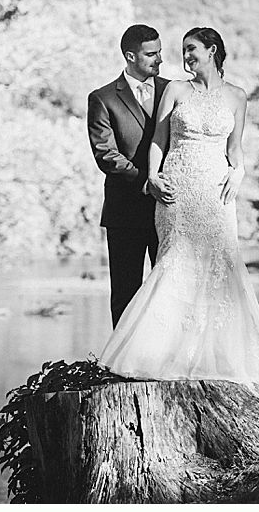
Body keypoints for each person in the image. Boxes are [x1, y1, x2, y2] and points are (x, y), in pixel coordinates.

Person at [99, 27, 259, 431]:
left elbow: (235, 147)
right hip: (177, 189)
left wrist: (240, 172)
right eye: (182, 51)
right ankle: (155, 357)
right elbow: (159, 139)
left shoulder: (237, 96)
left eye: (191, 50)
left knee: (219, 271)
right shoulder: (175, 90)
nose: (184, 57)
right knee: (174, 266)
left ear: (213, 51)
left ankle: (211, 358)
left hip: (216, 193)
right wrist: (153, 177)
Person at [87, 24, 172, 327]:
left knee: (171, 290)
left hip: (171, 209)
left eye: (160, 52)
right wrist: (147, 182)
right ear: (130, 56)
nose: (159, 59)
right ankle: (120, 365)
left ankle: (166, 361)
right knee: (125, 291)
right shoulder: (103, 98)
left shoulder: (172, 90)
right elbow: (106, 156)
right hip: (125, 210)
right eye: (151, 54)